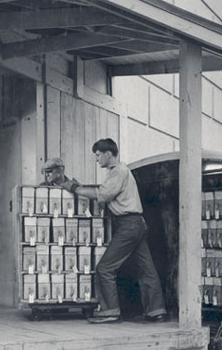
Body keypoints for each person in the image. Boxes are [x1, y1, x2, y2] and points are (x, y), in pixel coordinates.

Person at [60, 138, 168, 324]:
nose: (97, 159)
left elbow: (102, 195)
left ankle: (110, 311)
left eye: (98, 155)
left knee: (105, 268)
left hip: (128, 225)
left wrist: (75, 188)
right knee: (146, 270)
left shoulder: (118, 171)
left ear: (108, 153)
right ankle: (156, 311)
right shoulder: (120, 171)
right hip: (137, 225)